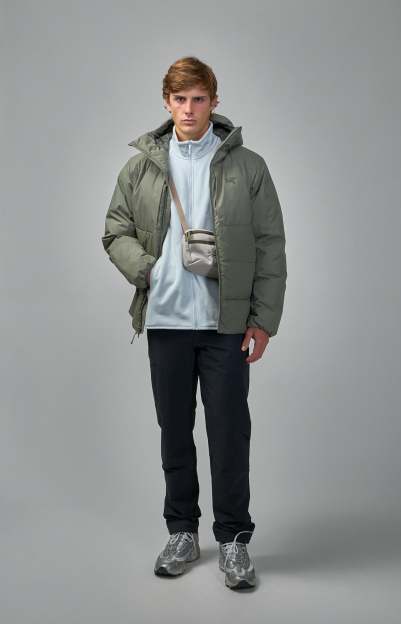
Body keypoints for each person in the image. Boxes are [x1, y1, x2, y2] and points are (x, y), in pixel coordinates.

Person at [101, 56, 287, 590]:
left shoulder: (249, 167)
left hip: (225, 325)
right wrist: (149, 270)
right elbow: (115, 230)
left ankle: (233, 540)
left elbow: (270, 245)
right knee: (175, 434)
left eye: (199, 99)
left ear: (214, 102)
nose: (189, 109)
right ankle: (182, 531)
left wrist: (263, 320)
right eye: (180, 99)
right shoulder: (141, 168)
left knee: (229, 435)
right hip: (166, 323)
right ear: (167, 102)